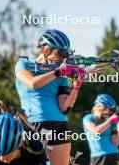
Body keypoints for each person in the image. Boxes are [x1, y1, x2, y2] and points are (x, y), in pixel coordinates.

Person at [15, 29, 84, 165]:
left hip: (60, 125)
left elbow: (64, 108)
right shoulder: (24, 65)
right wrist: (58, 72)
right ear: (46, 50)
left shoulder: (61, 75)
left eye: (65, 54)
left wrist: (76, 87)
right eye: (60, 53)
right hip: (34, 125)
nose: (62, 58)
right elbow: (33, 83)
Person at [83, 94, 119, 165]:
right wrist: (110, 120)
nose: (110, 113)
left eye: (112, 110)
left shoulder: (110, 122)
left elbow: (115, 142)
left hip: (113, 154)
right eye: (110, 110)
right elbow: (96, 131)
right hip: (99, 156)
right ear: (100, 107)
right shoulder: (88, 118)